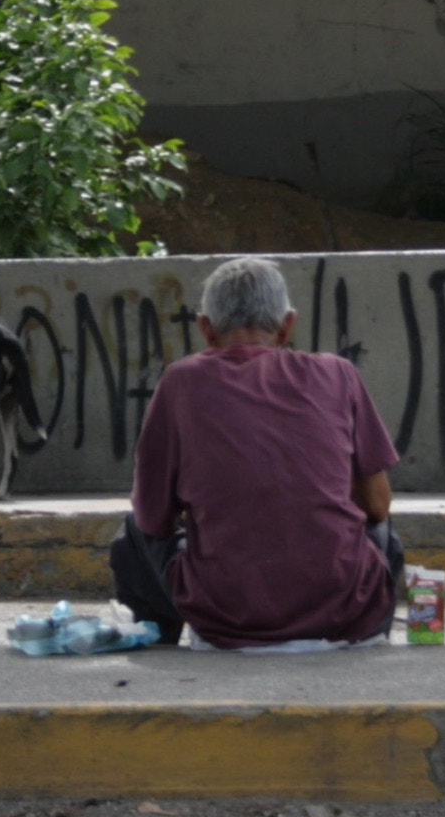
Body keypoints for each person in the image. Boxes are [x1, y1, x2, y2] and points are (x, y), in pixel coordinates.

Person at [110, 255, 403, 649]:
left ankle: (158, 644)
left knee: (131, 537)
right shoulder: (339, 374)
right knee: (386, 538)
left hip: (225, 615)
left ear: (206, 330)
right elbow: (378, 506)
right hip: (344, 607)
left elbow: (152, 517)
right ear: (287, 326)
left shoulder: (181, 382)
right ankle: (366, 633)